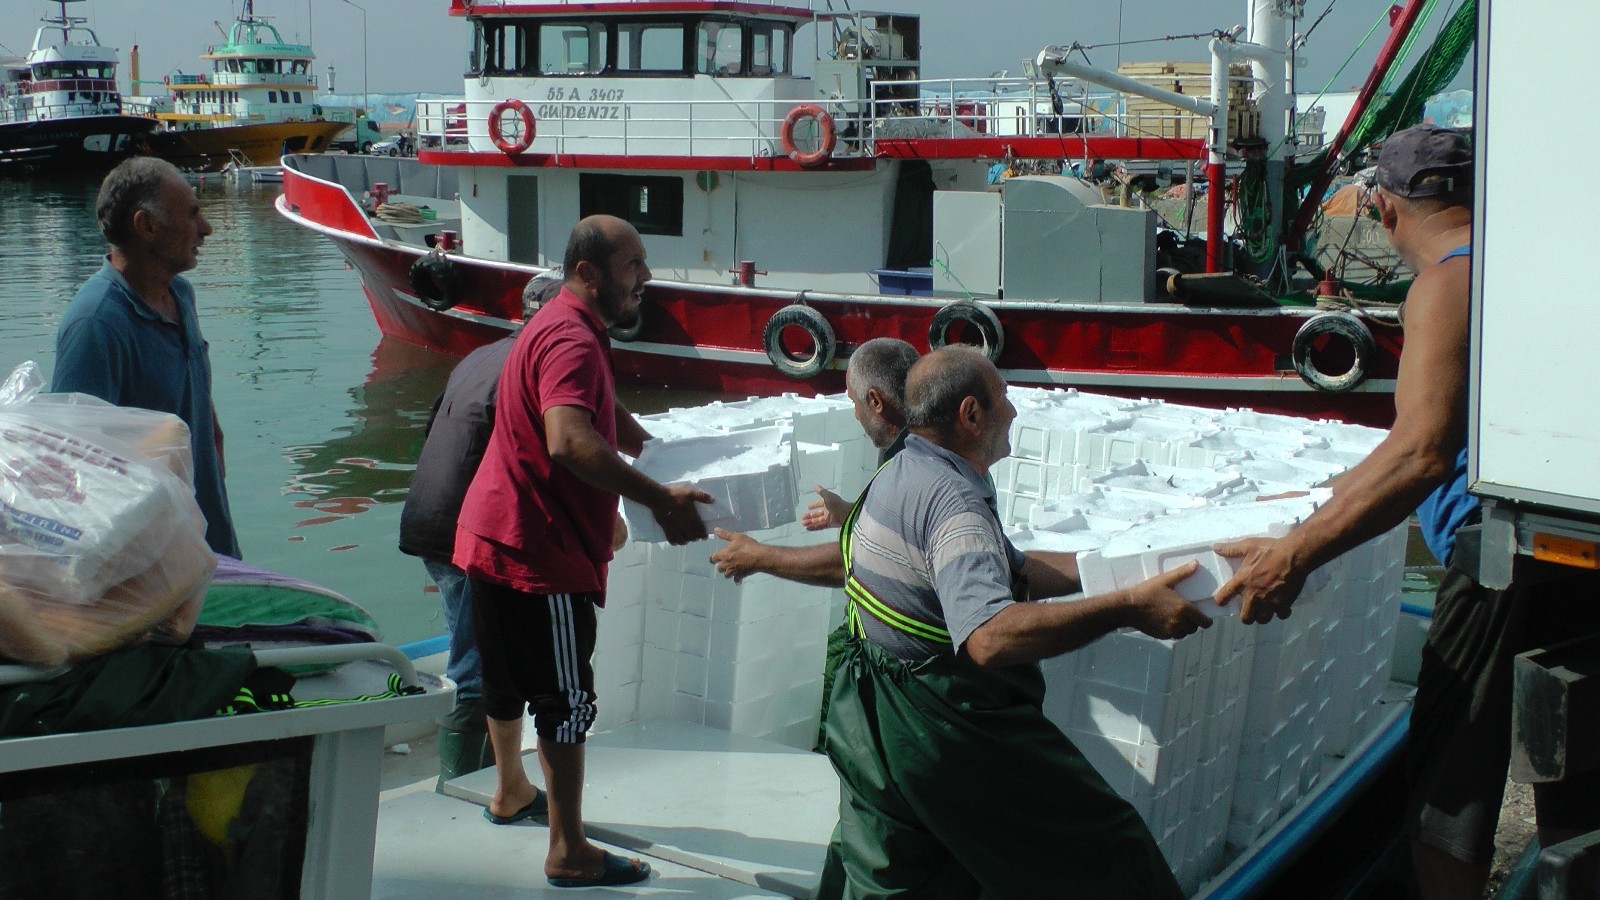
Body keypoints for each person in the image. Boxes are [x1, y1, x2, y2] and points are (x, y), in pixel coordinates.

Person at [1213, 124, 1600, 900]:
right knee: (1573, 761)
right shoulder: (1533, 267)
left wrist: (1296, 556)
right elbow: (1415, 446)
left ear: (1385, 209)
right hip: (1568, 541)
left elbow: (1423, 453)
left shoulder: (1446, 285)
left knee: (1448, 784)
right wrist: (1314, 511)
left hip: (1497, 562)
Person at [821, 346, 1210, 898]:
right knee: (1108, 853)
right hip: (941, 731)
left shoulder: (904, 468)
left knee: (905, 874)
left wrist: (1129, 569)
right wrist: (1129, 609)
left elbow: (1016, 568)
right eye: (1002, 398)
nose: (1015, 412)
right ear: (970, 415)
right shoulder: (955, 507)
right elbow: (988, 637)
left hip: (873, 718)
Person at [453, 214, 712, 889]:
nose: (646, 278)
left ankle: (509, 791)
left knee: (504, 677)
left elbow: (595, 413)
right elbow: (569, 439)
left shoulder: (553, 326)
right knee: (565, 698)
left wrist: (653, 445)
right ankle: (568, 849)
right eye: (633, 266)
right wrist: (658, 496)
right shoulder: (573, 336)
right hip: (542, 551)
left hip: (489, 533)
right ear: (588, 272)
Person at [52, 156, 239, 559]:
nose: (205, 229)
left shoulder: (181, 294)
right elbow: (71, 466)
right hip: (149, 562)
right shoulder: (97, 323)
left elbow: (191, 385)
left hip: (208, 538)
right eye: (192, 215)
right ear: (147, 226)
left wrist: (213, 435)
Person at [399, 335, 514, 788]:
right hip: (465, 528)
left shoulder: (478, 356)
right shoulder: (538, 362)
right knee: (475, 659)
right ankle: (463, 784)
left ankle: (475, 776)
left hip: (428, 517)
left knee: (466, 644)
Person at [709, 336, 918, 586]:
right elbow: (907, 530)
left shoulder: (912, 467)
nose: (855, 414)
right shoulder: (927, 440)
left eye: (854, 402)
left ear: (875, 401)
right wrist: (851, 514)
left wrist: (758, 556)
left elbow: (861, 560)